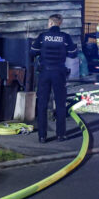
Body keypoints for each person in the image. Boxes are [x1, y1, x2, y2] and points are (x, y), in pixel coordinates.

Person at [30, 14, 77, 143]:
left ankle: (42, 136)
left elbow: (33, 52)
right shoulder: (65, 37)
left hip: (44, 73)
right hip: (59, 73)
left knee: (42, 105)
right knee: (61, 104)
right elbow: (73, 54)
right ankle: (60, 135)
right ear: (60, 23)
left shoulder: (42, 37)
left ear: (50, 23)